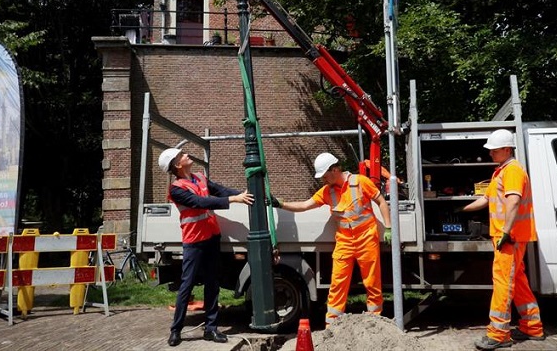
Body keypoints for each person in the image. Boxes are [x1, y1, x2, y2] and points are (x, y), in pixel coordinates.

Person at [271, 152, 392, 326]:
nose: (323, 180)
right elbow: (305, 205)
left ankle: (375, 320)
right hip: (344, 242)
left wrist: (387, 227)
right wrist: (282, 204)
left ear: (334, 170)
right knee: (338, 283)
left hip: (366, 239)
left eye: (325, 176)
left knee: (372, 281)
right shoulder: (327, 192)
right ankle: (332, 324)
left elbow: (381, 201)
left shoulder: (360, 182)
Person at [457, 129, 545, 350]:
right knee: (518, 282)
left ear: (507, 149)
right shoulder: (501, 171)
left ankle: (499, 334)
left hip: (509, 238)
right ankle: (532, 326)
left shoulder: (513, 170)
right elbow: (486, 199)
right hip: (509, 237)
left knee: (503, 284)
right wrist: (462, 208)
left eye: (494, 150)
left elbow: (513, 202)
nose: (490, 154)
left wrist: (505, 233)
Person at [158, 147, 254, 347]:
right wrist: (232, 199)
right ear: (177, 165)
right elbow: (200, 202)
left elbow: (219, 190)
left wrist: (241, 195)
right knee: (187, 285)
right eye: (181, 155)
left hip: (211, 237)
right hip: (194, 241)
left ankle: (211, 329)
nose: (186, 154)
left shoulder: (200, 177)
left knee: (212, 283)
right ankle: (176, 330)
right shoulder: (176, 189)